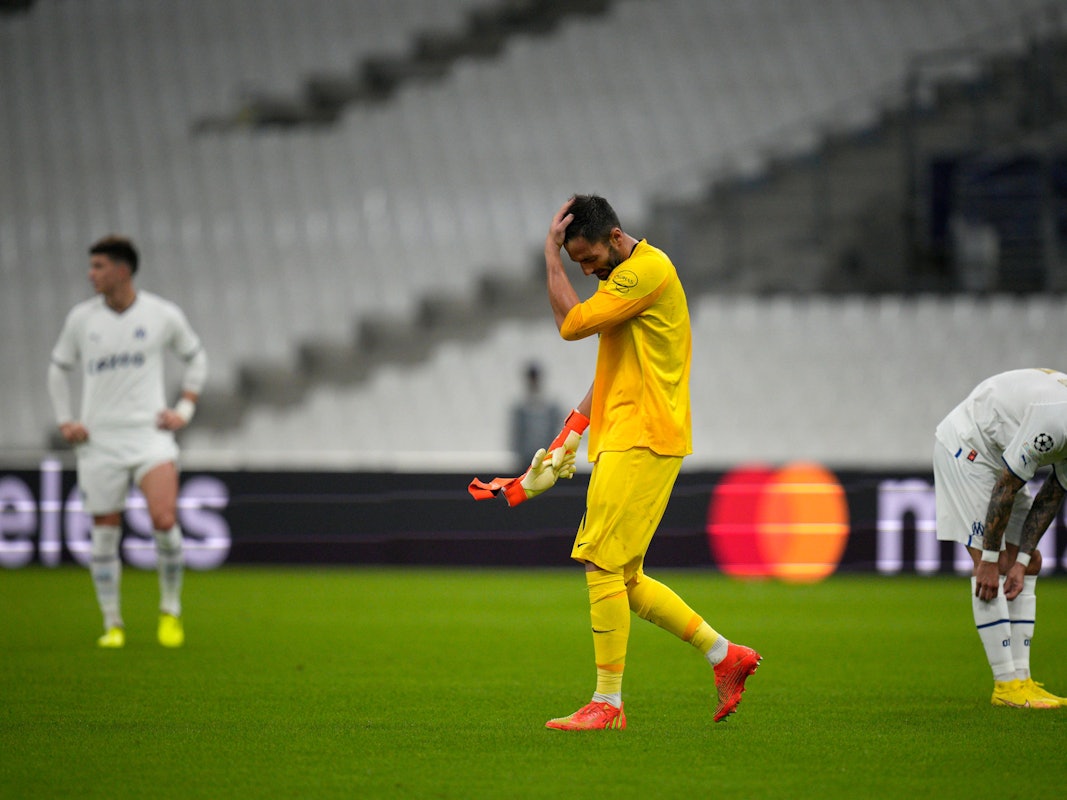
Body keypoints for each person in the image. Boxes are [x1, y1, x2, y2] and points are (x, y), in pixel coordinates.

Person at [537, 194, 761, 730]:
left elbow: (572, 326)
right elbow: (610, 369)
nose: (586, 270)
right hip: (630, 433)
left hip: (643, 434)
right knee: (626, 579)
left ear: (615, 237)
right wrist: (569, 434)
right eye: (575, 264)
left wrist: (549, 256)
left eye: (588, 258)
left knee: (600, 563)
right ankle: (724, 655)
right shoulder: (622, 284)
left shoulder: (646, 271)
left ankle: (607, 704)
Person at [48, 235, 208, 649]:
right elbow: (58, 368)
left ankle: (170, 610)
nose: (91, 274)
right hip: (100, 442)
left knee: (165, 520)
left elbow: (196, 357)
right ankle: (112, 623)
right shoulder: (81, 320)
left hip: (149, 436)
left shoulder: (161, 314)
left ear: (122, 270)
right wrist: (66, 421)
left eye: (99, 266)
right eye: (91, 266)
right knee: (104, 532)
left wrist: (184, 409)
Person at [933, 368, 1067, 708]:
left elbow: (1053, 493)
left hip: (1000, 453)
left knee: (1030, 561)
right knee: (991, 564)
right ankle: (1006, 686)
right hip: (968, 449)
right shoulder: (1054, 422)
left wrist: (1022, 561)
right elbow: (1007, 486)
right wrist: (990, 560)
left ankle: (1023, 679)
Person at [509, 362, 564, 472]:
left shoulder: (550, 405)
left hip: (546, 458)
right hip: (525, 460)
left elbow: (556, 429)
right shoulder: (520, 406)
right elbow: (516, 432)